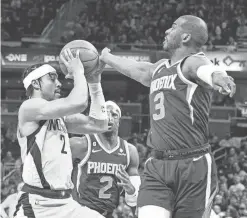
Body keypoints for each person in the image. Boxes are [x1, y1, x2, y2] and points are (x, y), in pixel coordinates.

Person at [100, 15, 236, 218]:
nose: (166, 31)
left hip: (192, 165)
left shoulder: (191, 62)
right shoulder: (159, 68)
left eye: (173, 27)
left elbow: (207, 68)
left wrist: (220, 77)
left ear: (185, 36)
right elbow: (137, 69)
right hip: (157, 165)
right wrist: (107, 57)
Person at [14, 49, 108, 218]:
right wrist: (79, 71)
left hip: (67, 204)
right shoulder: (29, 108)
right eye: (52, 78)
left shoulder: (60, 117)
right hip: (39, 206)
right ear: (36, 84)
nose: (59, 83)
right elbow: (79, 102)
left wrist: (94, 83)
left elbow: (99, 124)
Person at [70, 101, 140, 218]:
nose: (109, 118)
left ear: (119, 121)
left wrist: (131, 189)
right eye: (105, 114)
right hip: (82, 212)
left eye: (114, 115)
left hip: (109, 213)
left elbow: (133, 200)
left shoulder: (130, 151)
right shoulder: (81, 144)